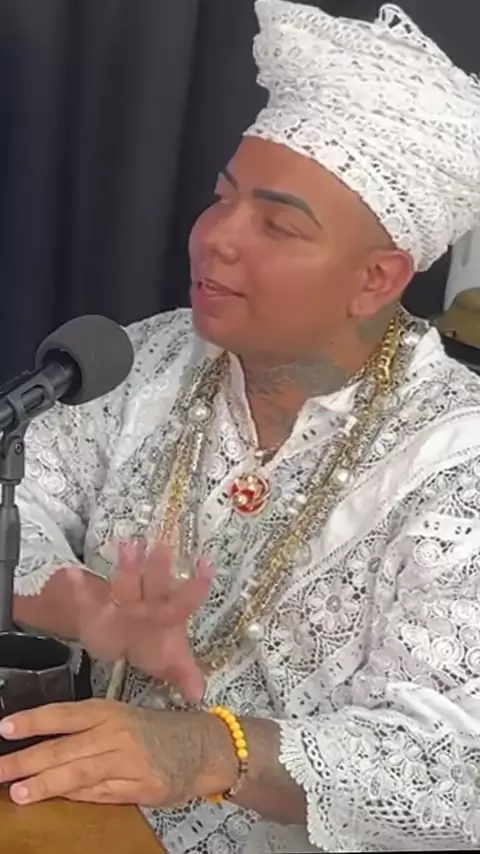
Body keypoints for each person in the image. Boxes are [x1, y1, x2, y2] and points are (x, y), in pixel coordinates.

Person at [1, 1, 480, 851]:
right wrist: (89, 608)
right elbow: (23, 497)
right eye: (222, 198)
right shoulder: (146, 360)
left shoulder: (457, 463)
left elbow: (454, 772)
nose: (216, 237)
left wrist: (207, 752)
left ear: (376, 279)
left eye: (277, 224)